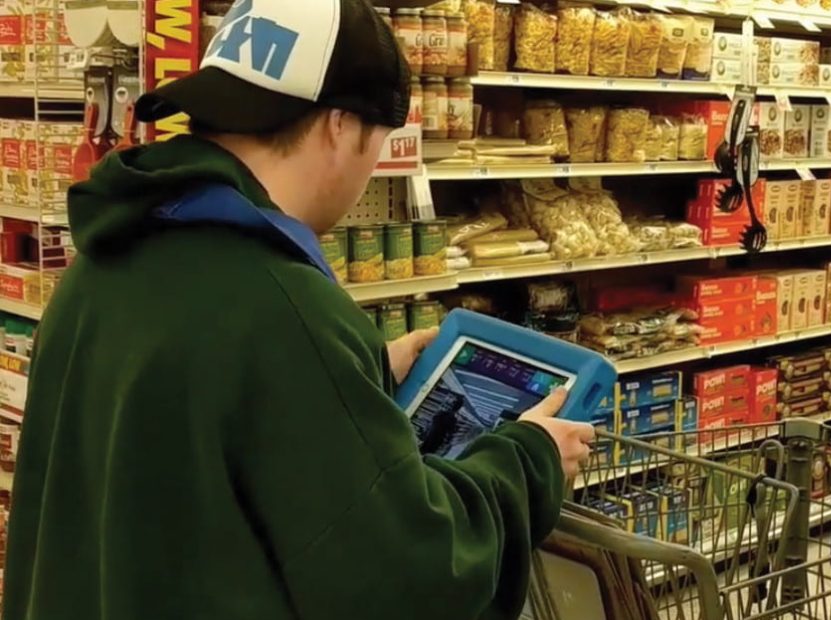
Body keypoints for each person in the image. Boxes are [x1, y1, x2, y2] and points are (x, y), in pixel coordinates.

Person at [3, 1, 596, 619]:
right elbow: (407, 574)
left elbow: (190, 437)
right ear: (340, 126)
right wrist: (530, 460)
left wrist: (358, 371)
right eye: (379, 143)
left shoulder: (109, 256)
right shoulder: (282, 304)